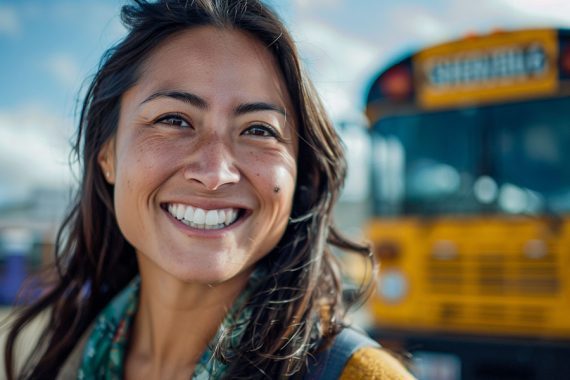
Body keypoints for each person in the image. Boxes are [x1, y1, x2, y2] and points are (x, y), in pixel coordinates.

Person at [2, 0, 415, 379]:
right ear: (106, 154)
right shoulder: (51, 356)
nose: (215, 173)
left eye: (258, 130)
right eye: (174, 120)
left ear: (298, 175)